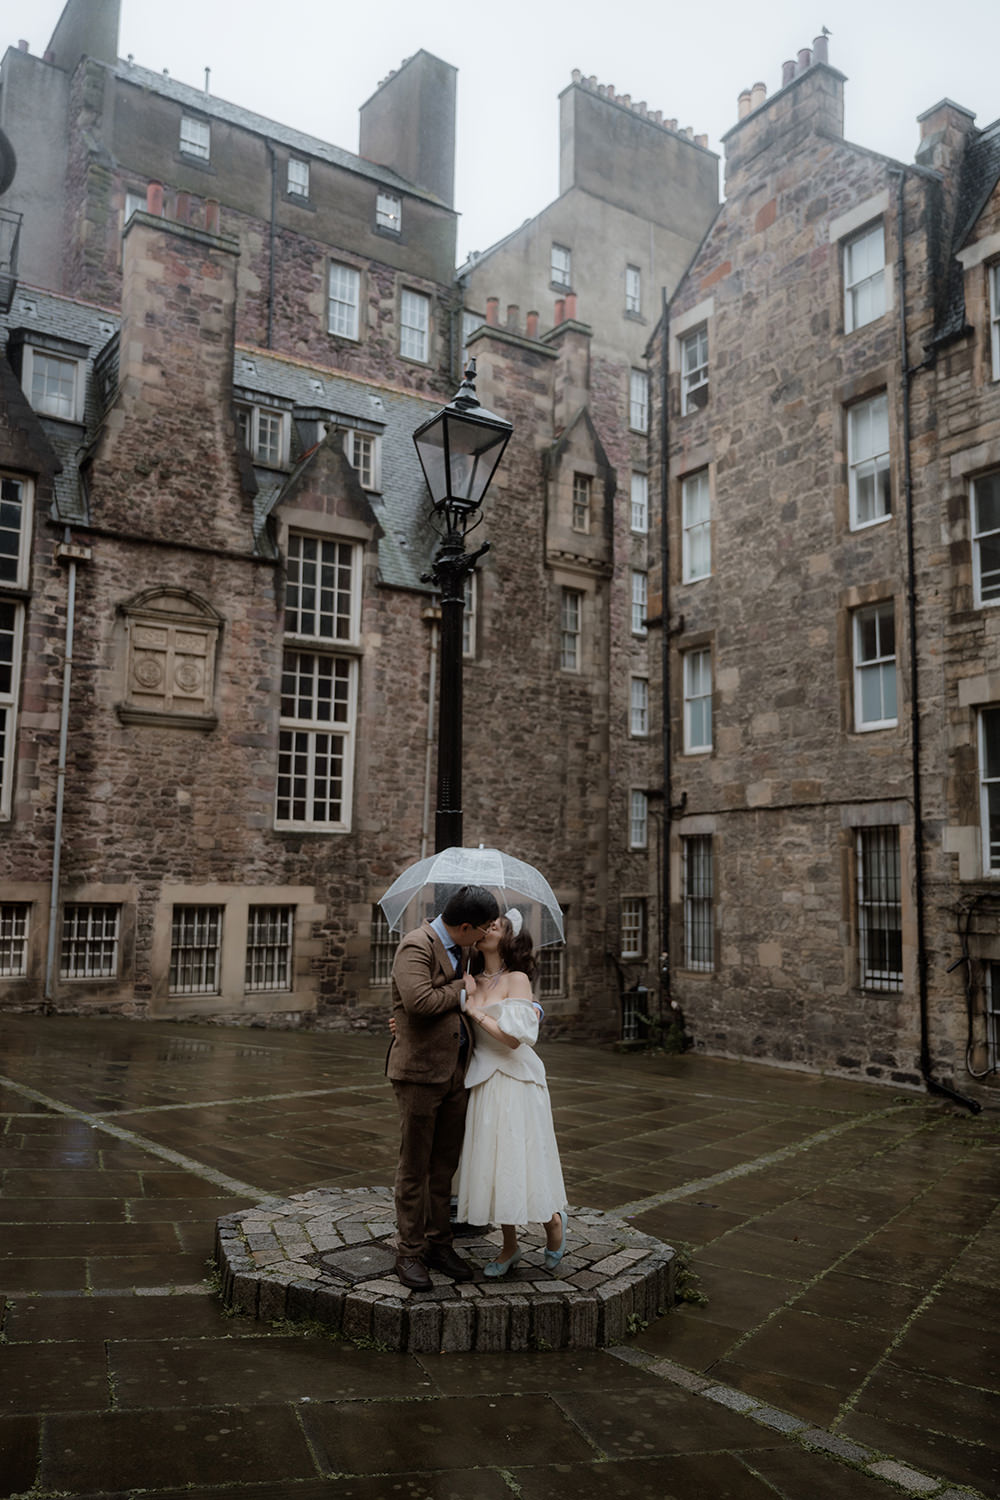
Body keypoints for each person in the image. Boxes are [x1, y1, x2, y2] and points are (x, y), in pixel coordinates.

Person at [385, 884, 499, 1291]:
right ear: (464, 925)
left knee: (443, 1167)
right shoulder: (416, 946)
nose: (485, 936)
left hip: (455, 1073)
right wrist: (461, 989)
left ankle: (438, 1243)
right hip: (419, 1074)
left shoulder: (465, 949)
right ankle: (409, 1252)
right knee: (415, 1167)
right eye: (482, 929)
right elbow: (419, 1002)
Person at [455, 909, 568, 1277]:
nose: (487, 929)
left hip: (516, 1080)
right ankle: (509, 1247)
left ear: (509, 937)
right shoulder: (470, 979)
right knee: (493, 1163)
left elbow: (517, 1038)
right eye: (485, 924)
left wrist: (474, 1011)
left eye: (495, 926)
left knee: (521, 1158)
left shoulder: (517, 979)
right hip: (483, 1079)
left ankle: (552, 1222)